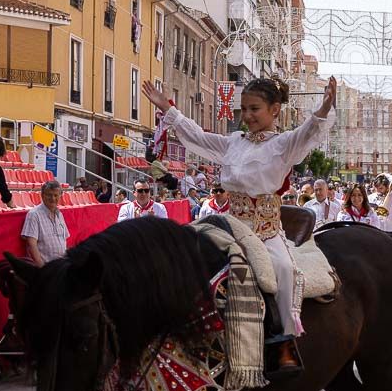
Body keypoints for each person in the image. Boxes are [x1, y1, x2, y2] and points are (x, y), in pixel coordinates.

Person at [143, 75, 337, 373]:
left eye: (254, 109)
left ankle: (284, 341)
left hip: (265, 231)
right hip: (228, 225)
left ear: (275, 110)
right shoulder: (233, 143)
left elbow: (308, 131)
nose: (246, 116)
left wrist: (324, 108)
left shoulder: (284, 145)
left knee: (284, 270)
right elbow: (197, 136)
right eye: (243, 109)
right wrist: (168, 108)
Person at [21, 180, 70, 266]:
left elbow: (64, 241)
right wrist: (42, 267)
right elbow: (32, 245)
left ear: (60, 196)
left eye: (56, 195)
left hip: (60, 267)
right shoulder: (34, 215)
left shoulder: (60, 215)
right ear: (42, 195)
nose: (53, 198)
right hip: (45, 268)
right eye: (49, 195)